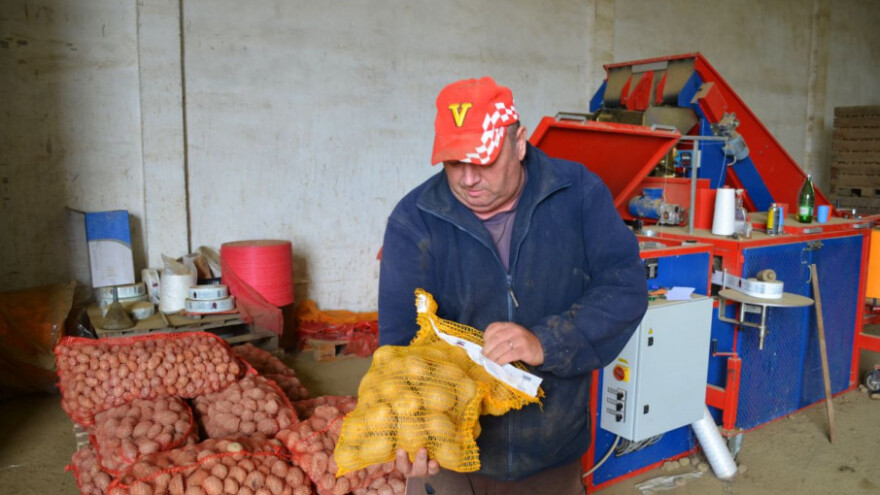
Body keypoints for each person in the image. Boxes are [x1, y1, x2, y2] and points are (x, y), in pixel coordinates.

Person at [378, 77, 648, 494]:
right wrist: (408, 416)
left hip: (550, 448)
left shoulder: (577, 194)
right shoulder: (415, 219)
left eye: (483, 161)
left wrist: (547, 341)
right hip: (452, 455)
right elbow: (400, 338)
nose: (468, 179)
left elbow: (625, 286)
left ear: (519, 143)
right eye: (454, 163)